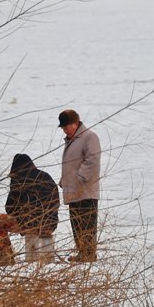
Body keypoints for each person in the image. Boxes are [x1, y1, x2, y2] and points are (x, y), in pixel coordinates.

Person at [0, 154, 59, 265]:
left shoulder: (19, 179)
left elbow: (9, 207)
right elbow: (55, 202)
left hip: (28, 224)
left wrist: (20, 216)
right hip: (50, 224)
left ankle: (6, 257)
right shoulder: (46, 176)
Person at [58, 109, 101, 262]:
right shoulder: (72, 140)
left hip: (85, 191)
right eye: (63, 128)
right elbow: (71, 165)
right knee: (76, 224)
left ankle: (89, 254)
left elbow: (93, 160)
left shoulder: (89, 137)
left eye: (66, 127)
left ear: (75, 124)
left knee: (87, 223)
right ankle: (82, 252)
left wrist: (80, 177)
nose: (64, 130)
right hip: (73, 191)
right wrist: (64, 181)